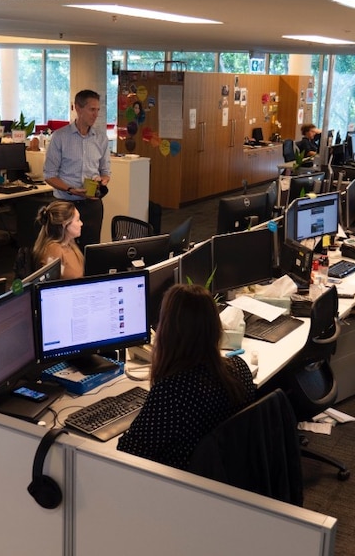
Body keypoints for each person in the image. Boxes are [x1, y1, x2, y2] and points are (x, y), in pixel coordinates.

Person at [117, 284, 257, 470]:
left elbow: (128, 451)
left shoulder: (173, 391)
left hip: (182, 486)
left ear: (168, 331)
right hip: (226, 480)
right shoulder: (239, 367)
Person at [43, 89, 111, 248]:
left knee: (91, 251)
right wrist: (70, 189)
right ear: (78, 109)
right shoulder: (60, 137)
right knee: (64, 251)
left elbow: (105, 171)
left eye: (98, 110)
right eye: (91, 109)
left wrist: (102, 181)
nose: (96, 114)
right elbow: (49, 175)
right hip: (65, 206)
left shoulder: (100, 138)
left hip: (92, 205)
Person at [31, 200, 84, 280]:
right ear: (64, 224)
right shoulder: (54, 250)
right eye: (77, 220)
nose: (81, 223)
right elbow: (52, 283)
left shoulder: (70, 244)